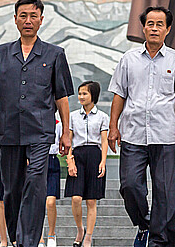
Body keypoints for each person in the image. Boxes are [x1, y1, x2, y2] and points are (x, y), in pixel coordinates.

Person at [0, 0, 74, 247]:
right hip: (9, 130)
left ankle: (29, 241)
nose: (28, 20)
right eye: (23, 16)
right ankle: (17, 237)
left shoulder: (55, 54)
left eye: (33, 16)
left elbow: (61, 96)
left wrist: (66, 132)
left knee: (35, 183)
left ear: (41, 20)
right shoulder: (1, 53)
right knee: (11, 189)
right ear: (15, 19)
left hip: (40, 131)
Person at [109, 6, 175, 247]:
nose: (154, 28)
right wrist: (113, 126)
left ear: (168, 29)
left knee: (167, 194)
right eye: (150, 24)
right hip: (133, 135)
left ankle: (160, 242)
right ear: (143, 28)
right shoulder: (128, 59)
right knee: (130, 185)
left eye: (159, 24)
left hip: (165, 136)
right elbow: (119, 94)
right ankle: (145, 223)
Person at [66, 81, 109, 247]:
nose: (81, 97)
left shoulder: (102, 117)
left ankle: (89, 237)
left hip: (94, 155)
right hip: (77, 156)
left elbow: (104, 141)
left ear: (94, 95)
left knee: (91, 201)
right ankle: (80, 229)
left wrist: (103, 162)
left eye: (85, 93)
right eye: (80, 93)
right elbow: (69, 140)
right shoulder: (72, 116)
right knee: (76, 198)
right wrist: (70, 160)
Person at [43, 116, 63, 247]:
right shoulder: (34, 121)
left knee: (50, 201)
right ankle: (39, 237)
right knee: (37, 201)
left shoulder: (58, 124)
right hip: (37, 161)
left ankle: (51, 233)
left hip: (52, 160)